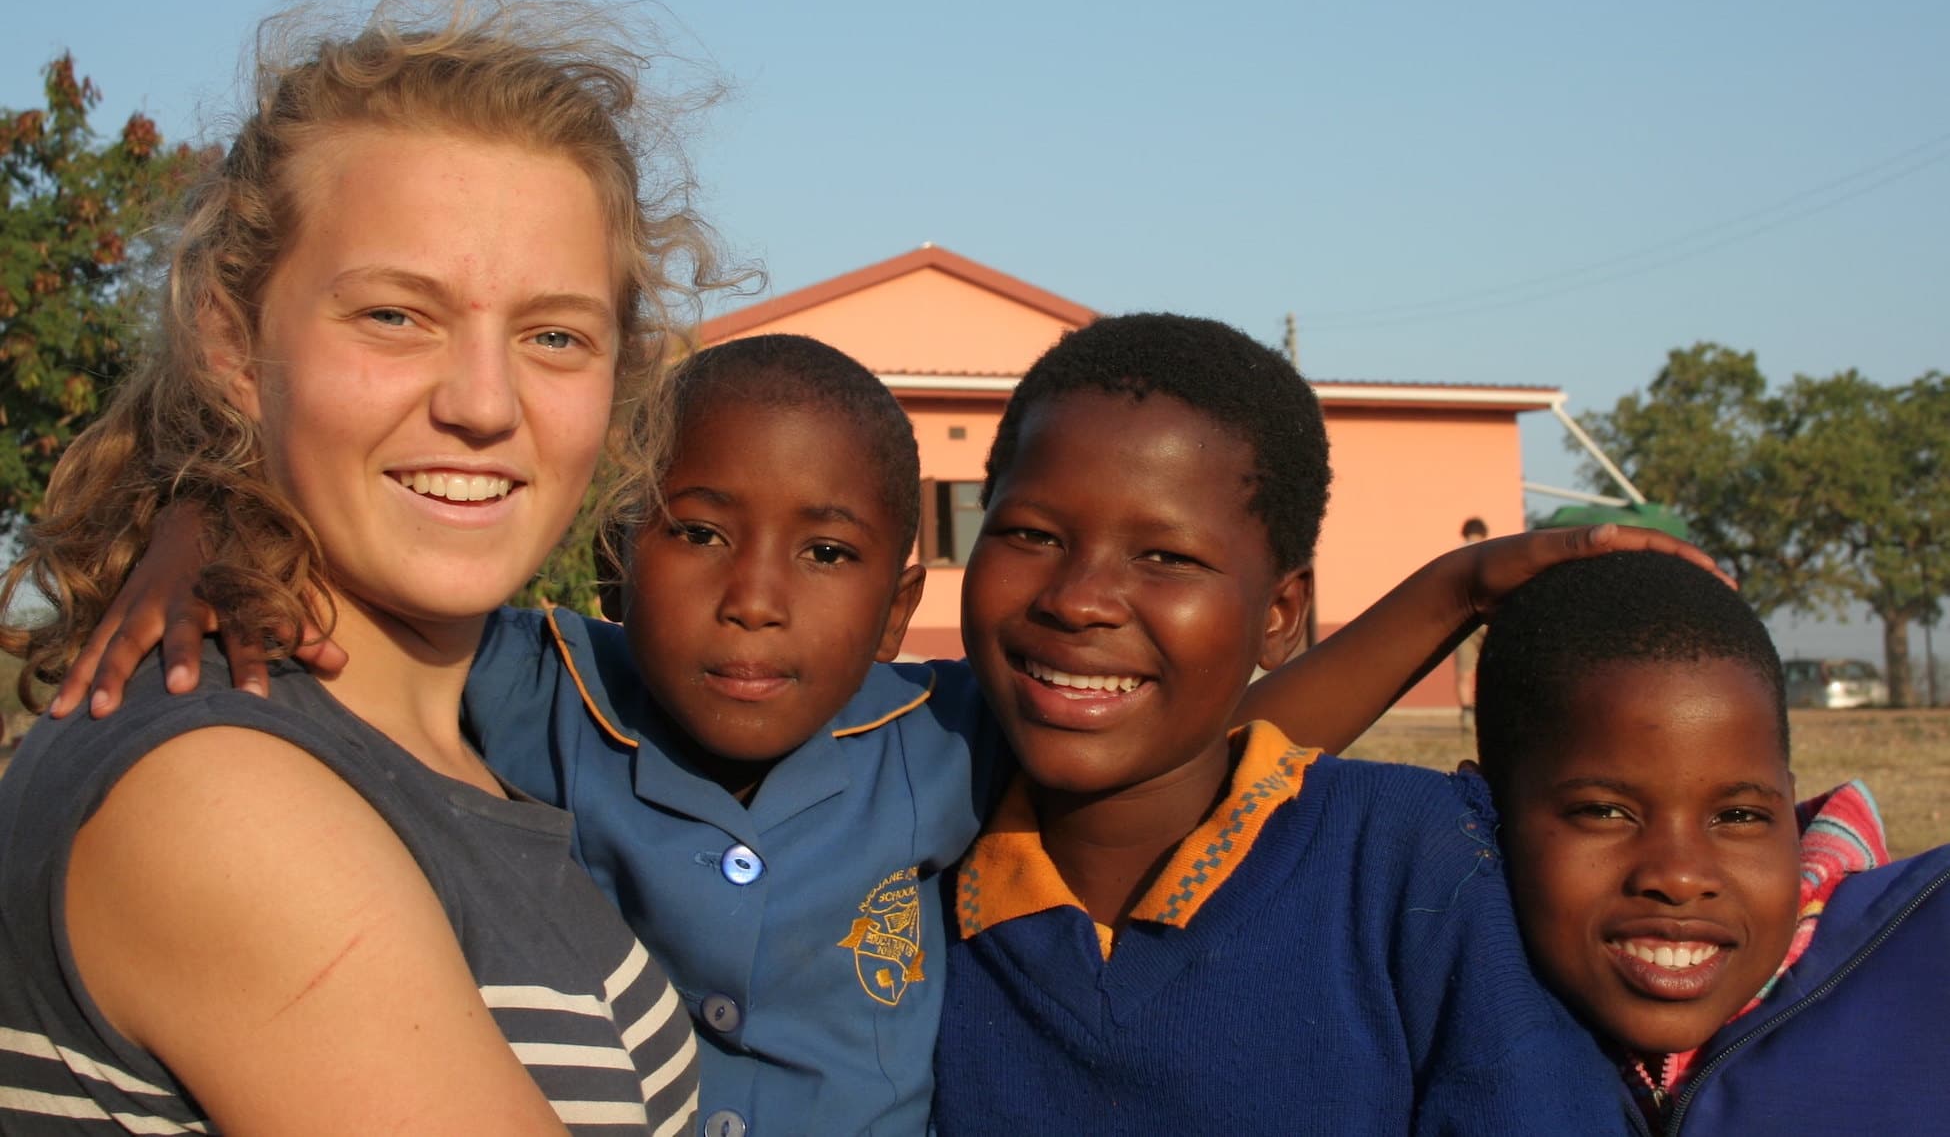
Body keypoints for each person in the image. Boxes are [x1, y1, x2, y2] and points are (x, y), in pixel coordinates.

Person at [59, 330, 1718, 1134]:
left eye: (832, 553)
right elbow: (326, 584)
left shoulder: (956, 750)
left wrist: (1458, 589)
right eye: (699, 532)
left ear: (898, 571)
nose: (759, 597)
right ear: (622, 540)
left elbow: (1230, 742)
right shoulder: (544, 684)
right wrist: (203, 538)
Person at [0, 0, 718, 1134]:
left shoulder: (497, 718)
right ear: (233, 348)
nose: (484, 403)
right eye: (396, 314)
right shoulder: (220, 794)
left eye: (553, 334)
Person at [933, 314, 1627, 1135]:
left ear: (1282, 612)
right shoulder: (895, 832)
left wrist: (1457, 592)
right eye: (1029, 534)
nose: (1077, 599)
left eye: (1167, 557)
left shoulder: (1416, 867)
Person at [1474, 551, 1950, 1135]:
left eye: (1741, 815)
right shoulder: (1427, 981)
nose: (1678, 876)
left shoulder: (1923, 949)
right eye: (1603, 811)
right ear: (1485, 806)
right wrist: (1452, 594)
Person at [1455, 515, 1490, 729]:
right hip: (1488, 617)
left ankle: (1467, 715)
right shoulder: (1492, 551)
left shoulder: (1457, 555)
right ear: (1484, 532)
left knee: (1464, 673)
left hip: (1464, 619)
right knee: (1491, 669)